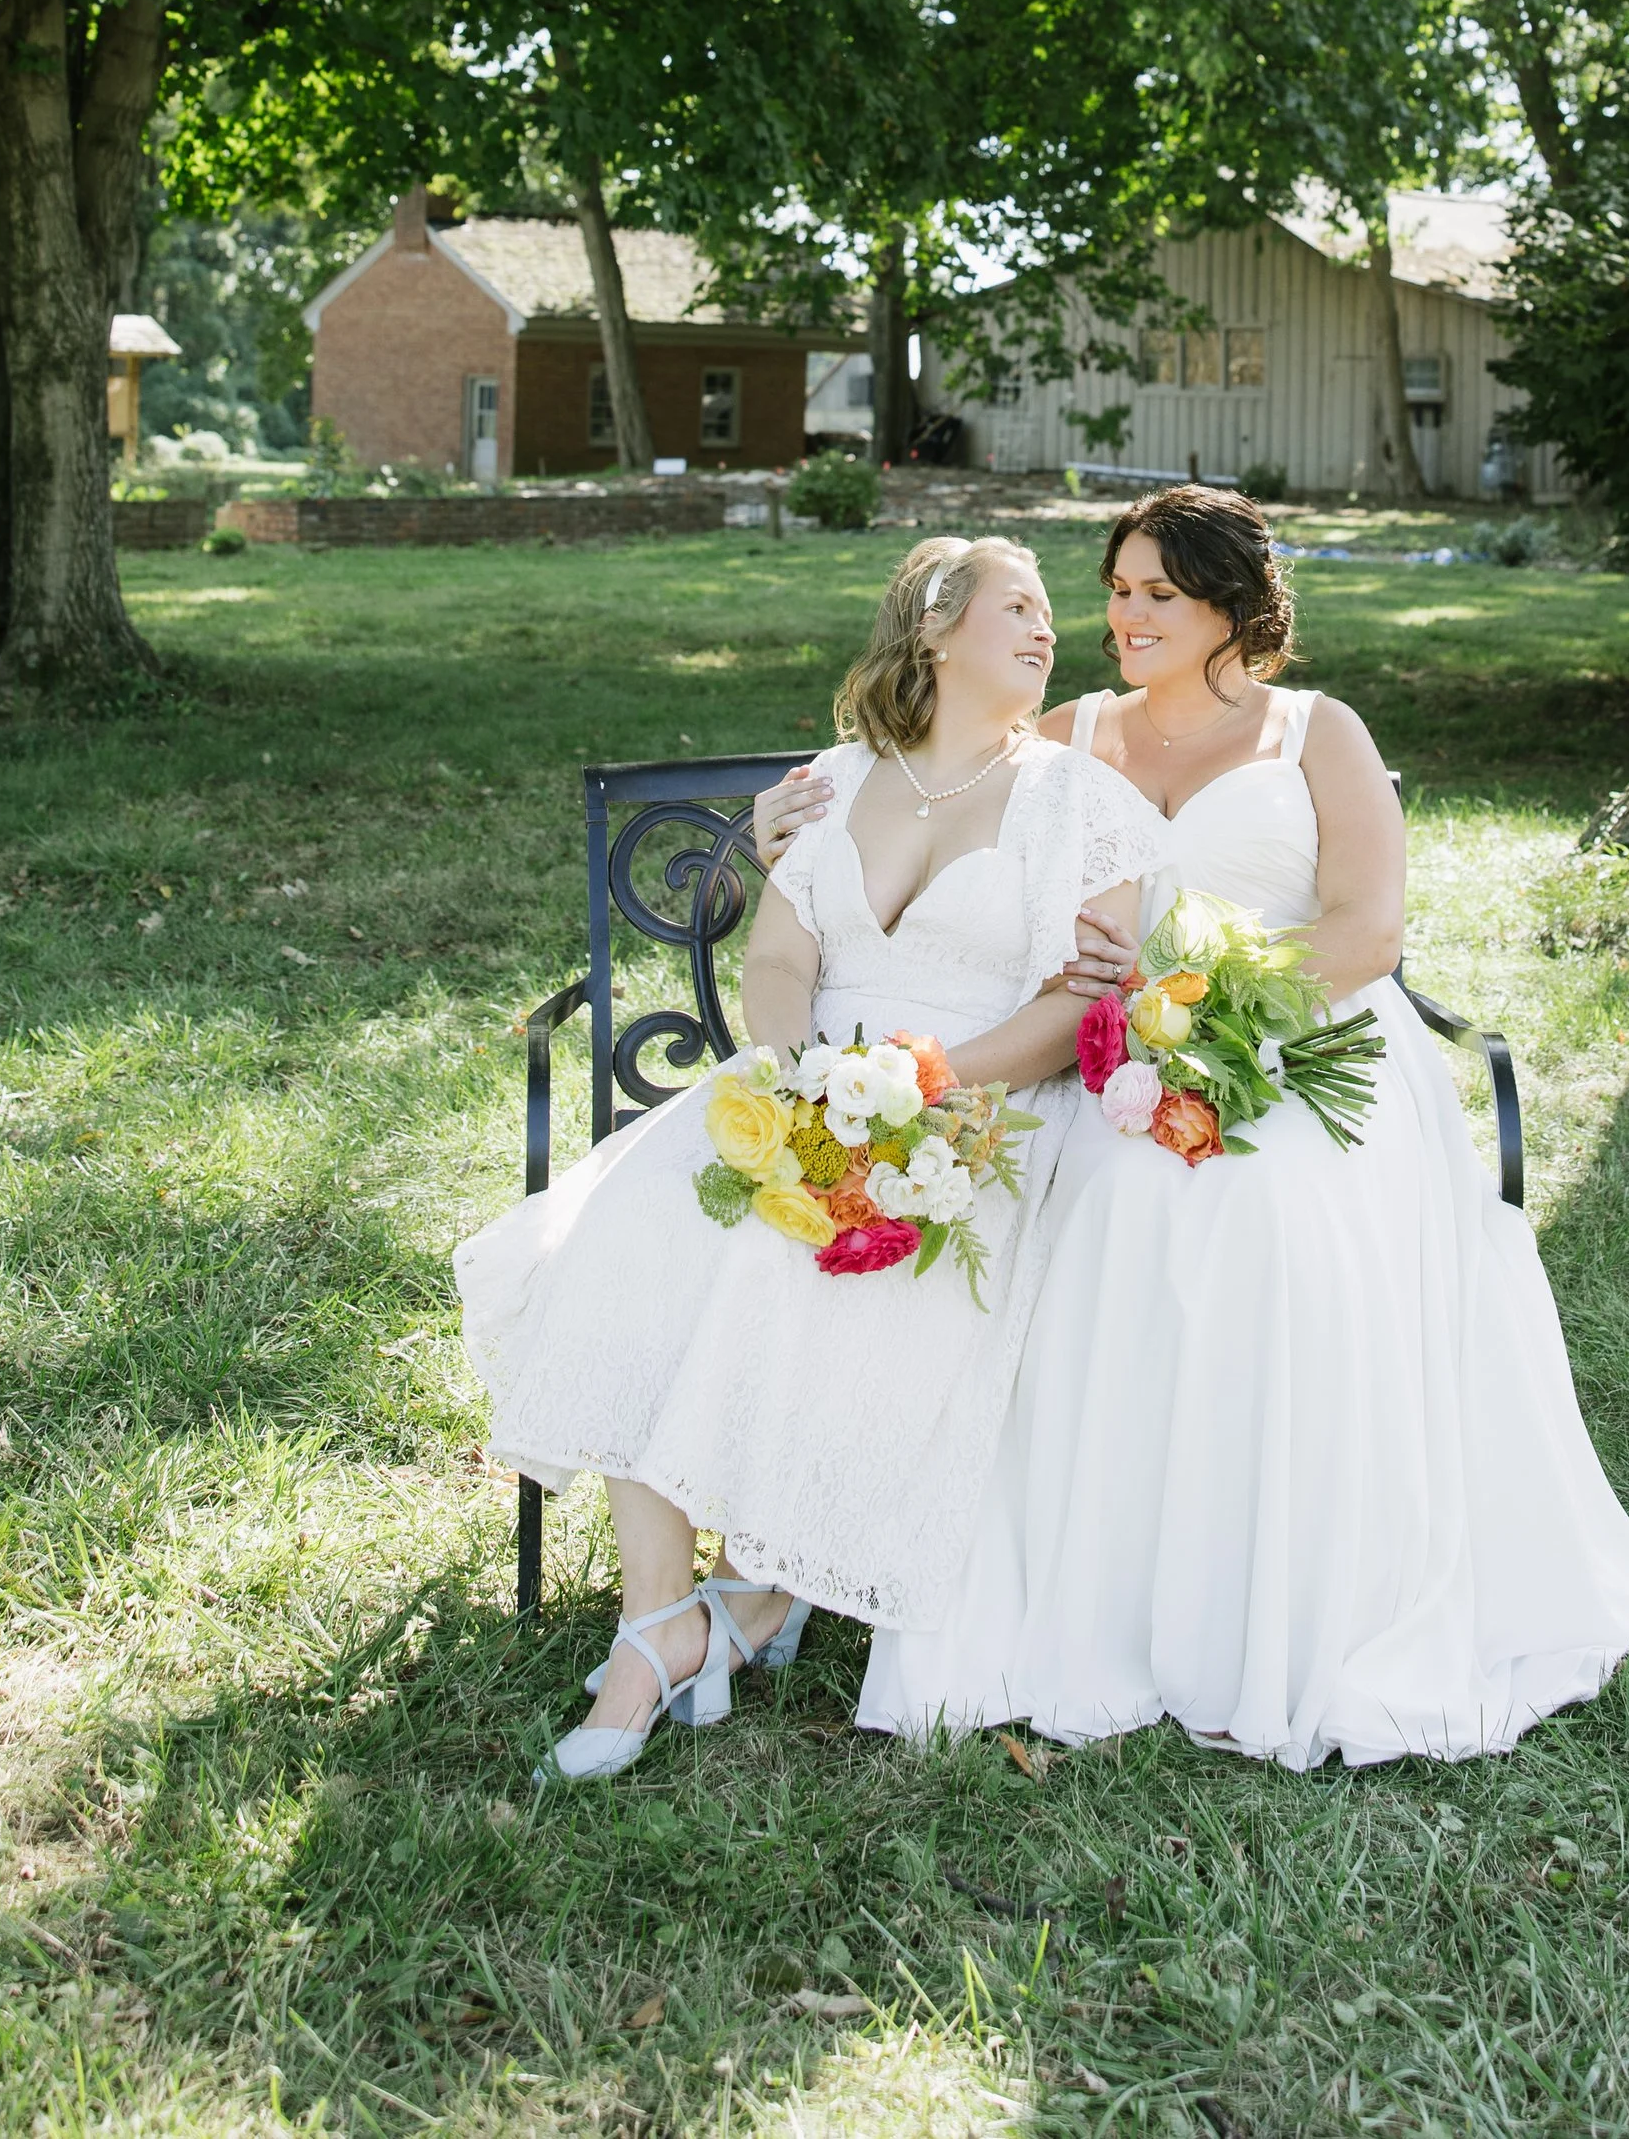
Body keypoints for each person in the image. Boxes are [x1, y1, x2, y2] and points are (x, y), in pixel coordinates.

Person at [755, 483, 1629, 1769]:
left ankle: (1274, 1606)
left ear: (1229, 606)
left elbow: (1366, 931)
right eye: (1116, 591)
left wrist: (1208, 1012)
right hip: (1122, 1058)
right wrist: (779, 825)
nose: (1123, 615)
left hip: (1303, 1042)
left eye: (1157, 593)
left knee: (1267, 1214)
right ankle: (1095, 1600)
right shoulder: (1072, 730)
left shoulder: (1315, 732)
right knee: (1098, 1201)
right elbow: (925, 779)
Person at [454, 533, 1166, 1780]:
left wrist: (923, 1094)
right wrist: (791, 1087)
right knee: (649, 1234)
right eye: (1019, 606)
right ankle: (666, 1619)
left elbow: (1075, 1008)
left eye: (1053, 611)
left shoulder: (1083, 805)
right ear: (936, 629)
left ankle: (746, 1600)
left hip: (971, 1115)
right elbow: (781, 961)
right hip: (799, 1086)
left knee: (805, 1260)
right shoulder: (836, 781)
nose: (1049, 629)